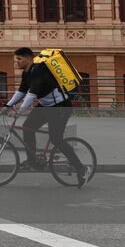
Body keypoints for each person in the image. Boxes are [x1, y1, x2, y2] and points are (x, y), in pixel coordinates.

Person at [5, 47, 91, 185]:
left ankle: (81, 169)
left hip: (60, 107)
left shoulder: (39, 71)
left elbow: (31, 95)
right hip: (46, 106)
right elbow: (21, 91)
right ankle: (32, 162)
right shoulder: (26, 73)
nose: (17, 62)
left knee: (56, 139)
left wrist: (19, 111)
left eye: (19, 59)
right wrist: (8, 105)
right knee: (28, 127)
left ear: (28, 59)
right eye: (16, 59)